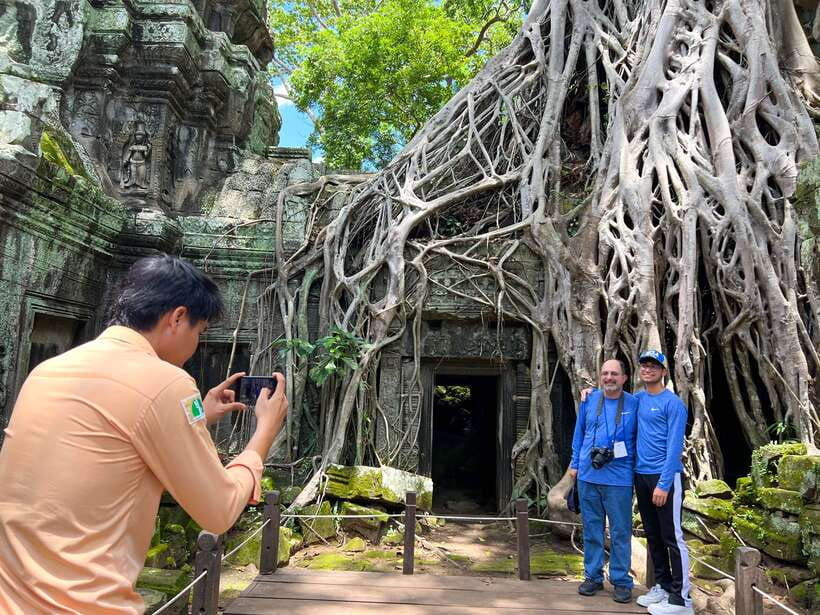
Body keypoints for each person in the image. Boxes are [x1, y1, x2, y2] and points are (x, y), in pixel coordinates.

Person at [0, 255, 289, 614]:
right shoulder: (166, 382)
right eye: (199, 333)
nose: (197, 343)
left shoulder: (49, 370)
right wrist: (263, 433)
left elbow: (114, 442)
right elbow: (220, 510)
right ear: (178, 318)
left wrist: (201, 415)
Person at [570, 359, 639, 604]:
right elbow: (579, 433)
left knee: (621, 530)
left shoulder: (634, 403)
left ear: (624, 378)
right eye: (605, 373)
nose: (609, 377)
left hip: (619, 478)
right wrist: (574, 465)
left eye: (614, 374)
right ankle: (592, 576)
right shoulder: (590, 400)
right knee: (591, 528)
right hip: (588, 476)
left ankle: (621, 580)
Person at [633, 350, 692, 615]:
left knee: (672, 536)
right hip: (641, 475)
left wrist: (664, 483)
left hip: (664, 476)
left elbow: (674, 447)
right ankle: (663, 586)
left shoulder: (673, 403)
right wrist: (587, 395)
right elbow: (611, 400)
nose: (648, 369)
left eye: (653, 366)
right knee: (653, 535)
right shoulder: (637, 400)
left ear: (663, 371)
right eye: (644, 365)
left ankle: (682, 599)